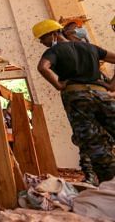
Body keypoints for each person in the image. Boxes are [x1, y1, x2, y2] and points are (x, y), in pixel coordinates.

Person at [33, 19, 115, 183]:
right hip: (102, 95)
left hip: (77, 97)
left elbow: (43, 67)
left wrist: (58, 85)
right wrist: (111, 85)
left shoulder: (55, 51)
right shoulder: (90, 47)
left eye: (43, 38)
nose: (42, 43)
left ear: (54, 33)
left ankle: (110, 182)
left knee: (93, 143)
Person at [59, 17, 100, 185]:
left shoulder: (89, 49)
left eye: (78, 29)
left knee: (103, 134)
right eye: (73, 29)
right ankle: (90, 173)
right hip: (78, 97)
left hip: (97, 93)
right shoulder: (63, 52)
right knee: (84, 134)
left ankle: (103, 173)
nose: (78, 32)